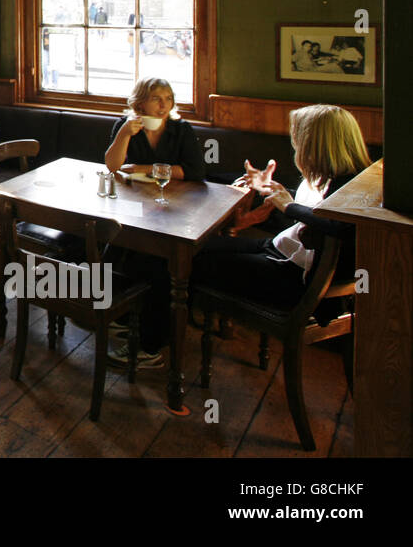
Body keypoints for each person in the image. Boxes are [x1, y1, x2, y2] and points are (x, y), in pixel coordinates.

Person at [113, 105, 371, 371]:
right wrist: (273, 192)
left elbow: (339, 227)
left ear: (315, 144)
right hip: (276, 252)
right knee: (182, 248)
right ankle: (147, 325)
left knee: (178, 261)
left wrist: (289, 206)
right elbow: (313, 218)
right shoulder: (335, 176)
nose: (295, 148)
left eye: (298, 140)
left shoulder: (349, 187)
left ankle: (148, 347)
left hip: (288, 278)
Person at [104, 77, 206, 180]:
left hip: (174, 192)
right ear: (140, 103)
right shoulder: (125, 125)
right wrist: (124, 133)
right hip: (135, 190)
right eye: (156, 99)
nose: (163, 105)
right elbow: (112, 167)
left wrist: (143, 169)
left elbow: (196, 171)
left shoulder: (182, 129)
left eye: (168, 98)